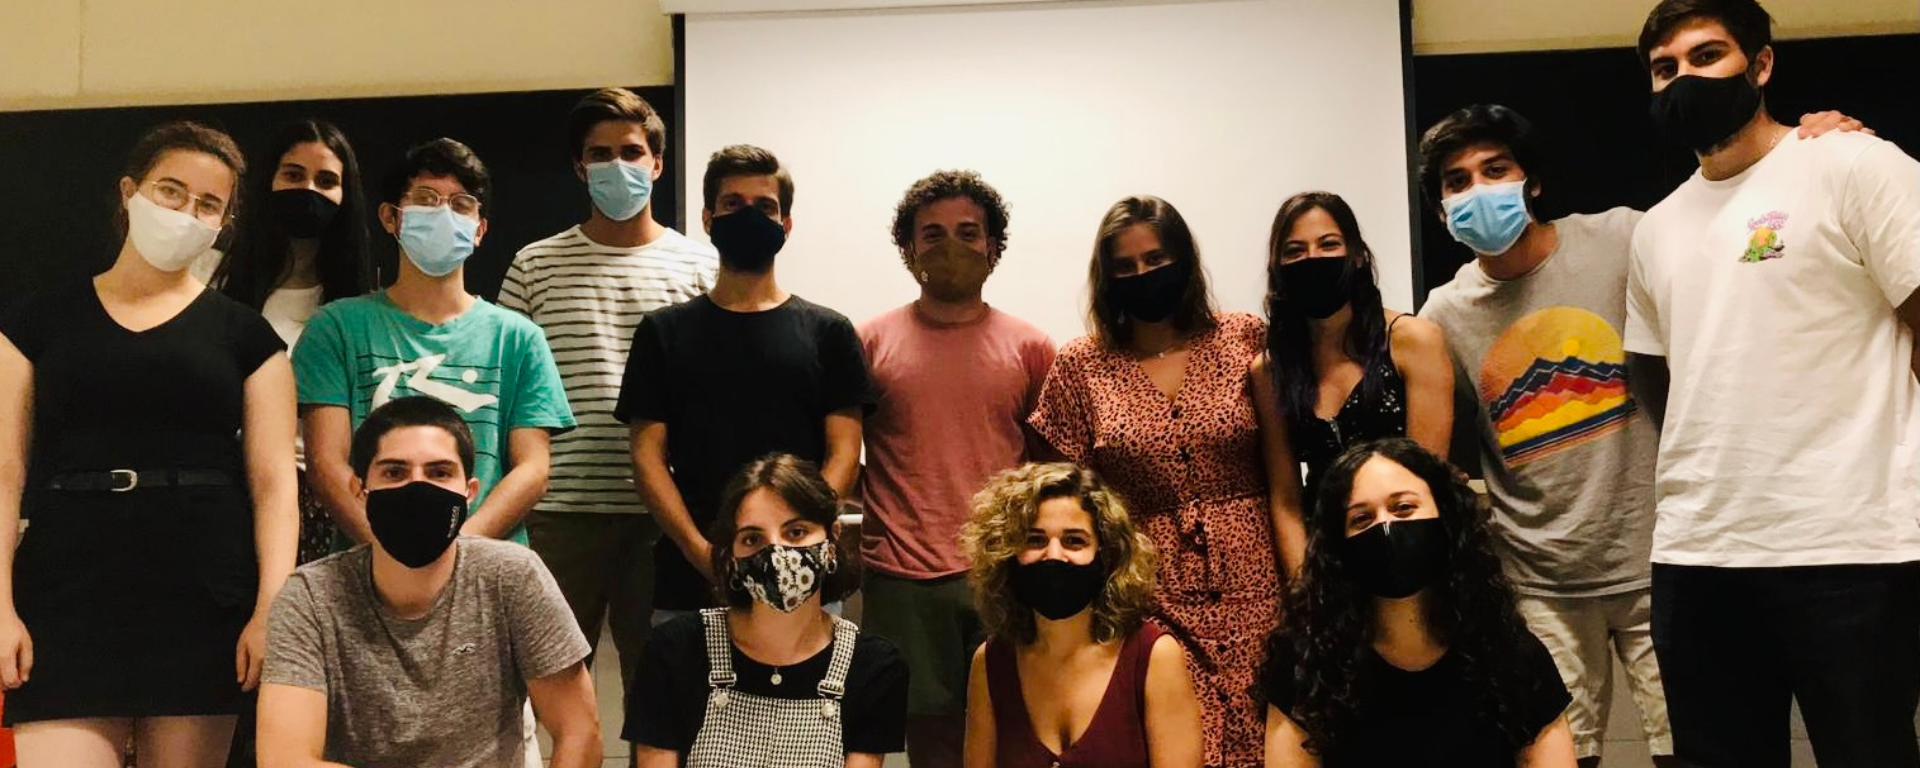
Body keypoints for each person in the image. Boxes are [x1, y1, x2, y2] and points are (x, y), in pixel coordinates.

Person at [1415, 103, 1866, 768]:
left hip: (1661, 557)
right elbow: (1443, 450)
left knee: (1689, 748)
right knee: (1559, 754)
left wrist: (1810, 152)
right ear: (1440, 208)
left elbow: (1731, 225)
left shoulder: (1622, 238)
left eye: (1495, 170)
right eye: (1457, 182)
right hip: (1540, 579)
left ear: (1532, 181)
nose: (1478, 190)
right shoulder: (1442, 315)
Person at [1624, 1, 1920, 765]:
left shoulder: (1853, 165)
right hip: (1698, 555)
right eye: (1664, 68)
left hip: (1849, 547)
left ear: (1760, 65)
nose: (1684, 78)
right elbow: (1661, 377)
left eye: (1706, 56)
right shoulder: (1655, 227)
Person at [0, 121, 298, 767]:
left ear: (224, 223)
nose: (186, 212)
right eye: (171, 190)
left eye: (208, 204)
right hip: (65, 587)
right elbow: (3, 472)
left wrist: (270, 610)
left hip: (201, 592)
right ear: (129, 191)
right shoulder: (34, 323)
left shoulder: (248, 337)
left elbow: (276, 484)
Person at [1030, 195, 1298, 768]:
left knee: (1275, 737)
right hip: (1150, 593)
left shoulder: (1244, 338)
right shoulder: (1080, 365)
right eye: (1125, 267)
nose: (1143, 275)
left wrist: (1301, 590)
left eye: (1155, 259)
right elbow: (1067, 502)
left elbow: (1284, 483)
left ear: (1184, 260)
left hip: (1258, 589)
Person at [500, 87, 719, 696]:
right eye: (600, 154)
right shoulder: (534, 266)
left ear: (657, 163)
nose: (617, 165)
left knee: (665, 696)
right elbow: (505, 391)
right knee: (545, 690)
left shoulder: (701, 268)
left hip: (666, 518)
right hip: (558, 514)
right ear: (579, 167)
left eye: (631, 151)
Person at [257, 396, 601, 768]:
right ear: (360, 489)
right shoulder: (310, 596)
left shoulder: (512, 576)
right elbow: (284, 760)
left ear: (469, 492)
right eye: (395, 473)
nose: (416, 488)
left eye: (439, 473)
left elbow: (579, 732)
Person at [615, 145, 872, 622]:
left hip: (804, 576)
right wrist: (703, 554)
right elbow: (647, 458)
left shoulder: (830, 332)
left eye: (765, 207)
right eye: (733, 204)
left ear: (786, 225)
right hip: (691, 579)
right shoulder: (662, 332)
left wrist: (797, 542)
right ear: (708, 219)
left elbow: (843, 454)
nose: (748, 216)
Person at [858, 169, 1054, 768]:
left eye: (968, 233)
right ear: (907, 248)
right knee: (932, 742)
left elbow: (1050, 470)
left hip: (1003, 572)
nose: (951, 247)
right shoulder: (868, 343)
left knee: (1014, 732)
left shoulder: (1032, 348)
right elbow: (838, 450)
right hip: (902, 578)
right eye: (933, 234)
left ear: (993, 245)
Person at [293, 137, 576, 549]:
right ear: (391, 217)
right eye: (426, 199)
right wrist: (391, 554)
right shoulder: (335, 328)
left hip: (487, 563)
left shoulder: (518, 338)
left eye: (461, 205)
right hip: (368, 561)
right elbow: (326, 465)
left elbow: (532, 469)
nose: (444, 213)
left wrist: (454, 552)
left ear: (479, 230)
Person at [1260, 438, 1576, 767]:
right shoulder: (1304, 663)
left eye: (1403, 508)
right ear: (1338, 548)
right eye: (1362, 519)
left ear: (1446, 519)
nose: (1385, 527)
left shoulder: (1511, 654)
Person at [623, 453, 907, 767]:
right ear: (731, 558)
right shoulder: (674, 649)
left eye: (796, 532)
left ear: (831, 541)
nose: (775, 552)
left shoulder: (873, 666)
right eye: (752, 539)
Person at [208, 118, 376, 566]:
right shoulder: (213, 284)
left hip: (319, 498)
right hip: (225, 488)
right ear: (269, 180)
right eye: (293, 175)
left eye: (326, 181)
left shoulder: (354, 306)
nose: (308, 191)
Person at [960, 462, 1203, 768]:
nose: (1053, 555)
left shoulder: (1154, 656)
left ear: (1106, 556)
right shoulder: (990, 662)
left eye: (1074, 541)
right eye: (1035, 540)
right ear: (1007, 554)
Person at [1254, 192, 1453, 551]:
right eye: (1295, 251)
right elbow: (1285, 499)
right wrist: (1304, 581)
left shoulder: (1413, 341)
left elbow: (1427, 479)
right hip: (1324, 557)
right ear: (1278, 268)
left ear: (1358, 255)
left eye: (1328, 244)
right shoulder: (1270, 370)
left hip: (1410, 546)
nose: (1312, 259)